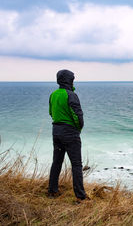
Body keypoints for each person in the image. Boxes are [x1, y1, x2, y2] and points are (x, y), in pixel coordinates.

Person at [48, 69, 89, 202]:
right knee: (76, 164)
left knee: (57, 162)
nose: (73, 81)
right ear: (68, 80)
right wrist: (78, 129)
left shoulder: (53, 94)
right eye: (72, 79)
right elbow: (78, 116)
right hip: (70, 132)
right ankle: (80, 196)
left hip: (56, 131)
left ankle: (52, 191)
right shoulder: (71, 95)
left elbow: (51, 113)